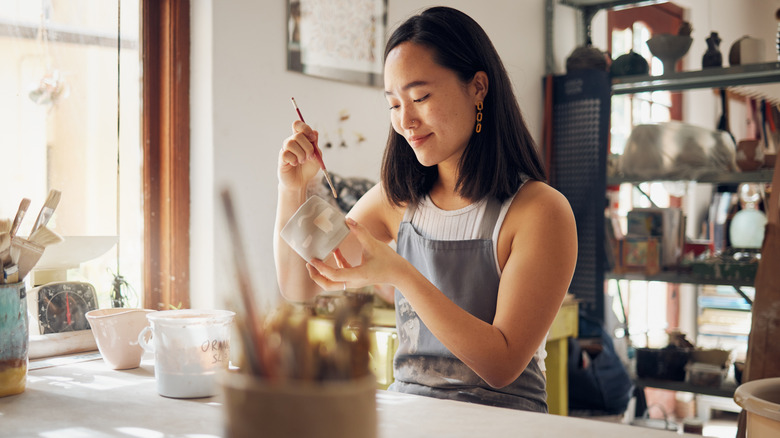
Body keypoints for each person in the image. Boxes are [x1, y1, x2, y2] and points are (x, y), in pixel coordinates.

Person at [274, 6, 577, 412]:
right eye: (394, 105)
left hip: (504, 422)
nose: (407, 121)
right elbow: (302, 286)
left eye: (420, 97)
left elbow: (502, 365)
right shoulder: (398, 199)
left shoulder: (540, 211)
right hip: (410, 415)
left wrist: (399, 272)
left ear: (478, 87)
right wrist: (293, 189)